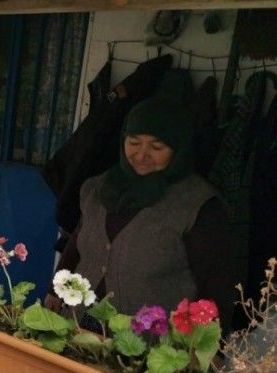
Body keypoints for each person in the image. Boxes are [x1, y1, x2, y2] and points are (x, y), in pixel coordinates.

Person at [45, 96, 233, 329]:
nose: (142, 155)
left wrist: (210, 344)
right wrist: (55, 290)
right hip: (80, 326)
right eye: (133, 143)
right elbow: (77, 243)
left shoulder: (198, 205)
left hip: (151, 345)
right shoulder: (97, 188)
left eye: (156, 147)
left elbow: (216, 282)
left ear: (178, 148)